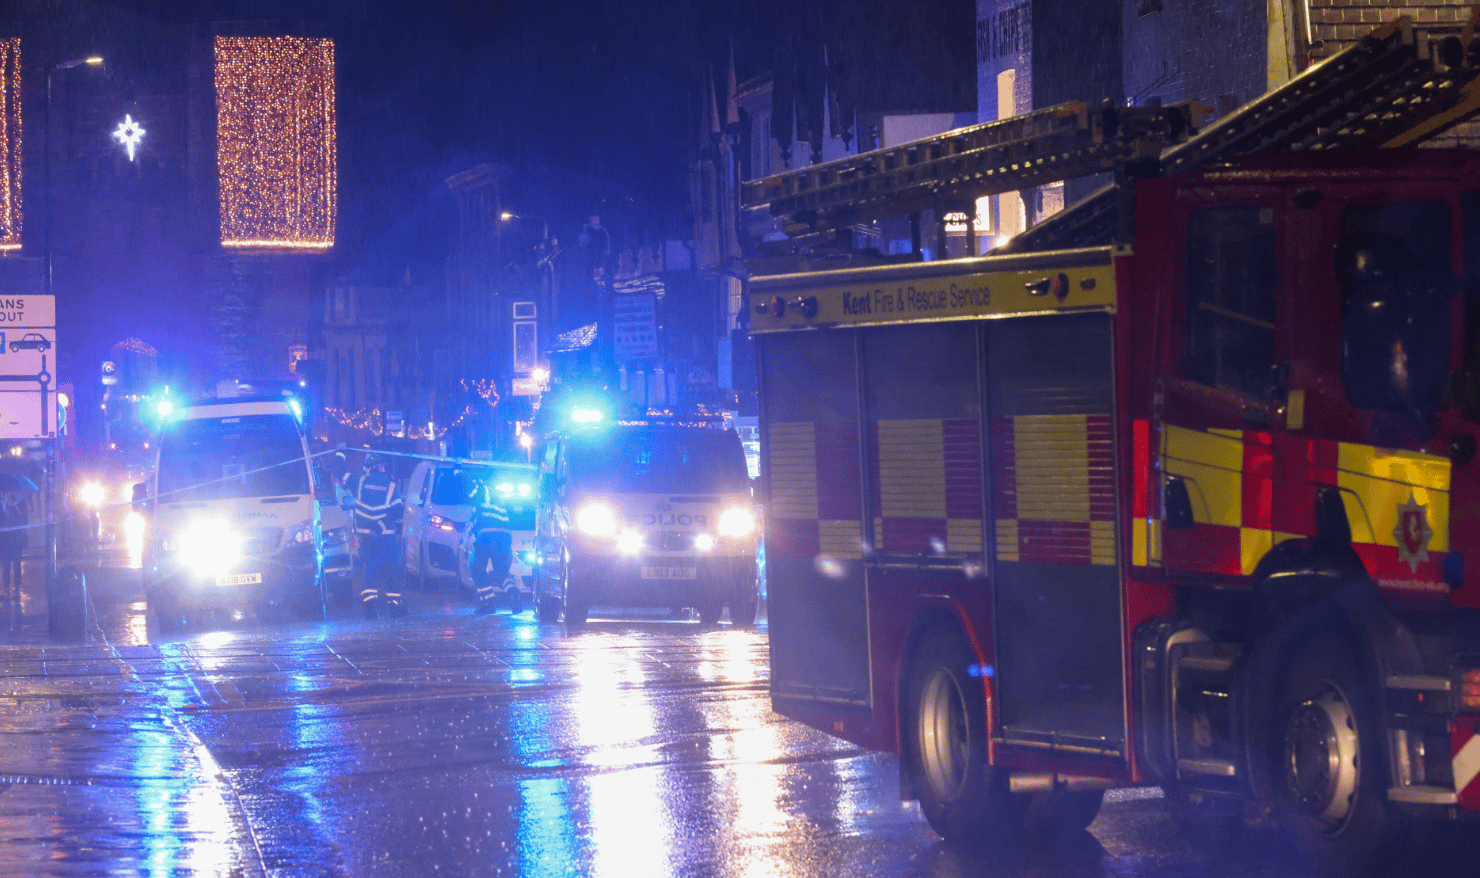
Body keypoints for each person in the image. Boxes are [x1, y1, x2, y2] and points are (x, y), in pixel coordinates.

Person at [349, 454, 405, 619]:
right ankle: (395, 609)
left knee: (369, 573)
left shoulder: (358, 482)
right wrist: (380, 526)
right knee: (392, 572)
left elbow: (339, 470)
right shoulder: (391, 486)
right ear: (380, 467)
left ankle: (370, 610)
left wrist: (341, 451)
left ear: (368, 467)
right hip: (387, 538)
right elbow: (397, 511)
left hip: (367, 539)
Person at [467, 480, 514, 615]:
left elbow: (475, 518)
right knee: (501, 572)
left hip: (486, 536)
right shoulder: (498, 497)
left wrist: (468, 534)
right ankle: (513, 593)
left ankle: (488, 603)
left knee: (476, 567)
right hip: (504, 537)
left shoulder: (479, 489)